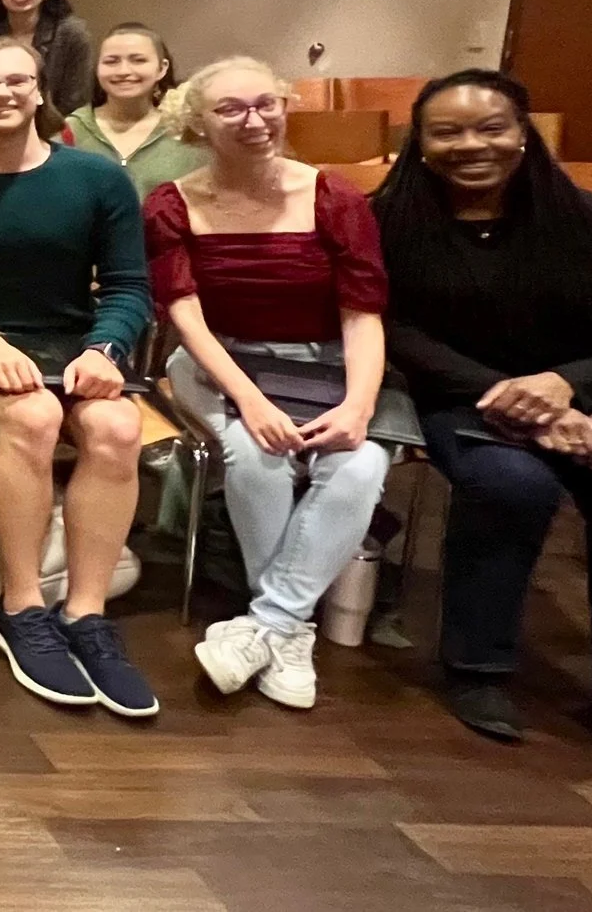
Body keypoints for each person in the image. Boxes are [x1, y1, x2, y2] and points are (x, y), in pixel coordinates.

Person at [374, 70, 592, 782]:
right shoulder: (389, 222)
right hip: (468, 393)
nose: (471, 144)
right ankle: (478, 667)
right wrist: (507, 394)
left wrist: (564, 388)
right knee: (508, 483)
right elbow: (395, 332)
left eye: (491, 127)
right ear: (420, 143)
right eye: (447, 132)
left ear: (524, 133)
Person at [0, 36, 157, 717]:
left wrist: (105, 349)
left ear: (40, 91)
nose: (3, 93)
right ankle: (19, 607)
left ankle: (87, 613)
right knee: (33, 417)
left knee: (117, 428)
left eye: (17, 80)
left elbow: (129, 285)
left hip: (75, 343)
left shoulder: (98, 179)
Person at [147, 58, 391, 712]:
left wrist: (359, 404)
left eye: (265, 103)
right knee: (256, 455)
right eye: (230, 108)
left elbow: (361, 314)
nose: (253, 120)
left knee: (362, 463)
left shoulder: (335, 198)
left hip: (323, 366)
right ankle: (287, 628)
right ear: (198, 123)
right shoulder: (172, 203)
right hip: (219, 364)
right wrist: (248, 399)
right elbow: (185, 317)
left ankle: (273, 623)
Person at [67, 24, 206, 197]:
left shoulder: (187, 134)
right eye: (111, 61)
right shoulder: (69, 131)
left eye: (138, 60)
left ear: (162, 68)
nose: (123, 71)